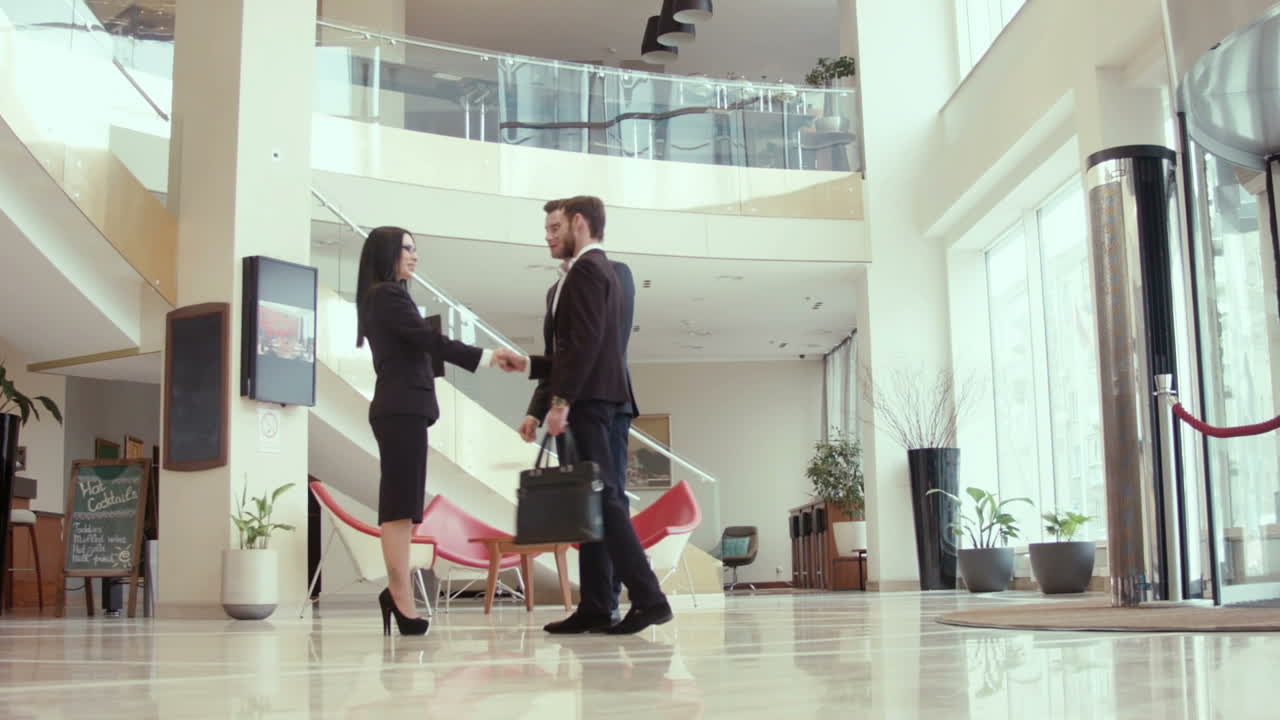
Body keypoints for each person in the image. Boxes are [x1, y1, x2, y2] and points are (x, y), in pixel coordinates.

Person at [356, 225, 526, 636]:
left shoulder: (390, 296)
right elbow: (427, 341)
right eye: (407, 249)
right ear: (387, 254)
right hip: (400, 409)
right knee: (400, 509)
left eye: (416, 249)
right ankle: (400, 597)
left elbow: (417, 345)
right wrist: (487, 356)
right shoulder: (387, 295)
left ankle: (398, 595)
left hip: (405, 409)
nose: (415, 257)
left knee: (407, 510)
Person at [528, 196, 672, 635]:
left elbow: (587, 345)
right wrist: (542, 404)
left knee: (606, 501)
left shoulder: (593, 270)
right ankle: (595, 605)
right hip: (585, 401)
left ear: (579, 223)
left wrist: (561, 402)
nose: (549, 237)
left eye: (556, 228)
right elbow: (563, 352)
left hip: (593, 402)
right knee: (591, 506)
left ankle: (649, 599)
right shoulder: (574, 279)